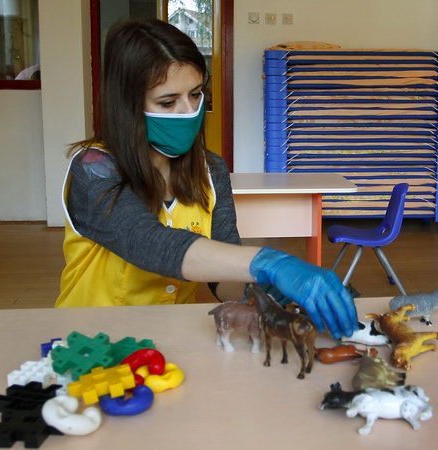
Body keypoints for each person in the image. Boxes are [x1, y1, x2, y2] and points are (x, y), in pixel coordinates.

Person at [54, 19, 358, 339]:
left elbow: (220, 276)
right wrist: (270, 262)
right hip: (91, 341)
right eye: (168, 102)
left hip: (169, 339)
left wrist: (259, 290)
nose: (189, 112)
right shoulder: (93, 168)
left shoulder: (210, 170)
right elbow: (147, 242)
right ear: (127, 105)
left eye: (196, 94)